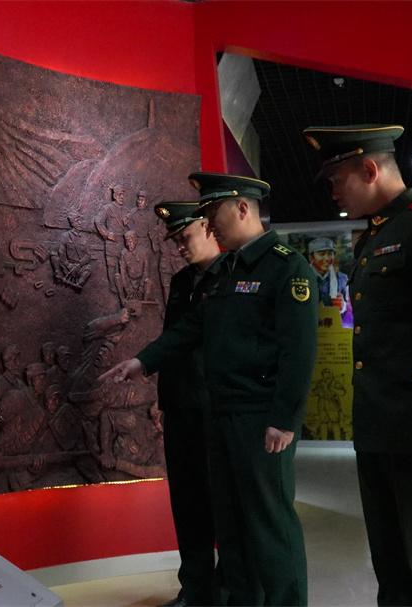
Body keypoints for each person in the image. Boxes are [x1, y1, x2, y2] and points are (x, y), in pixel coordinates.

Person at [102, 173, 318, 606]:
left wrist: (284, 419)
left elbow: (299, 351)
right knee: (232, 527)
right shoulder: (227, 272)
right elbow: (190, 329)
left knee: (270, 527)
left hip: (260, 420)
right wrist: (143, 361)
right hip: (222, 415)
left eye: (213, 212)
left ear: (243, 208)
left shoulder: (285, 267)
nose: (210, 223)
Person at [302, 124, 412, 606]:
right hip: (379, 428)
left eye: (337, 178)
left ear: (369, 169)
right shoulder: (374, 238)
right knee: (393, 567)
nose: (333, 191)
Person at [148, 200, 223, 607]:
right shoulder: (181, 282)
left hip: (217, 408)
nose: (179, 245)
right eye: (174, 239)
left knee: (221, 501)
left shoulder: (232, 275)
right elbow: (171, 344)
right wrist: (164, 403)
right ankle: (195, 589)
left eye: (184, 236)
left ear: (208, 227)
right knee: (187, 501)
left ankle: (228, 588)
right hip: (181, 408)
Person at [308, 237, 352, 325]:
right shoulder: (303, 278)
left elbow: (351, 307)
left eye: (330, 254)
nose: (327, 258)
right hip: (310, 326)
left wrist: (343, 306)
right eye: (322, 254)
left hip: (334, 328)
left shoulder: (343, 279)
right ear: (311, 257)